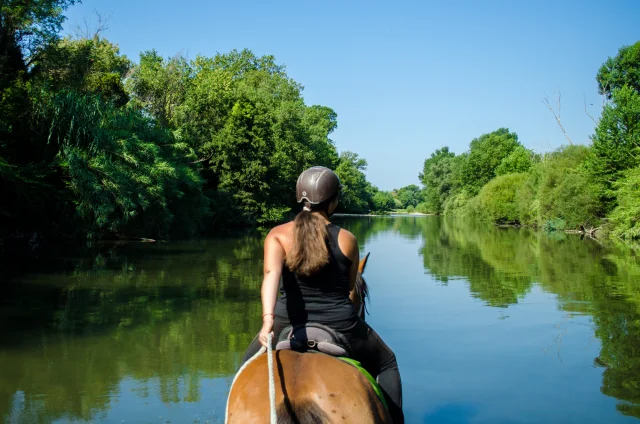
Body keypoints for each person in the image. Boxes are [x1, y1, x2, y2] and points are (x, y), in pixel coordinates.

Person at [241, 166, 404, 423]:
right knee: (387, 363)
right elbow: (351, 288)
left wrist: (268, 320)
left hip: (287, 320)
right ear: (333, 201)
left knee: (246, 368)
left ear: (299, 197)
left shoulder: (277, 235)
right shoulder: (347, 239)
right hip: (341, 323)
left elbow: (270, 276)